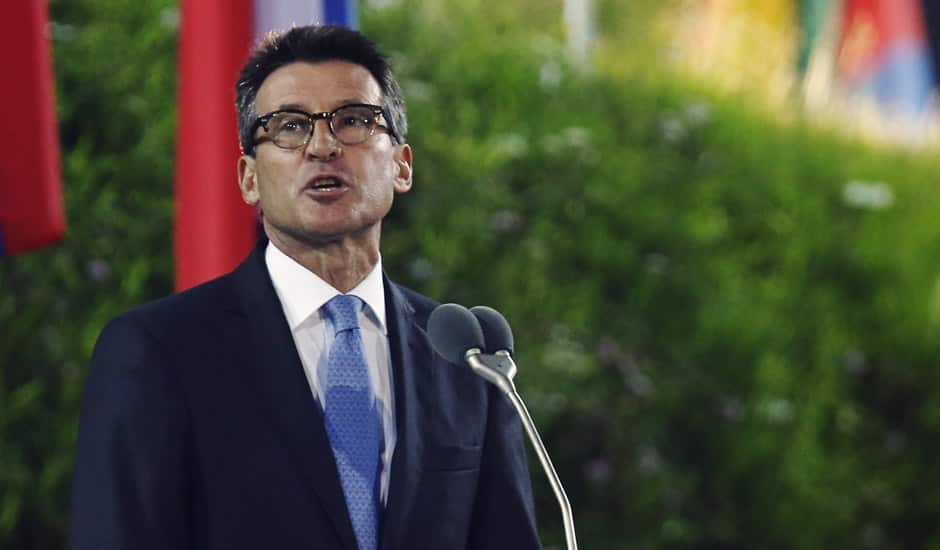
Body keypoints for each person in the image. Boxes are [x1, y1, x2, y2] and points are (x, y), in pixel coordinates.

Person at [68, 24, 541, 550]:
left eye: (354, 121)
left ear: (402, 166)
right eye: (289, 126)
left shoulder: (464, 354)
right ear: (249, 178)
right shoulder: (158, 352)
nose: (323, 145)